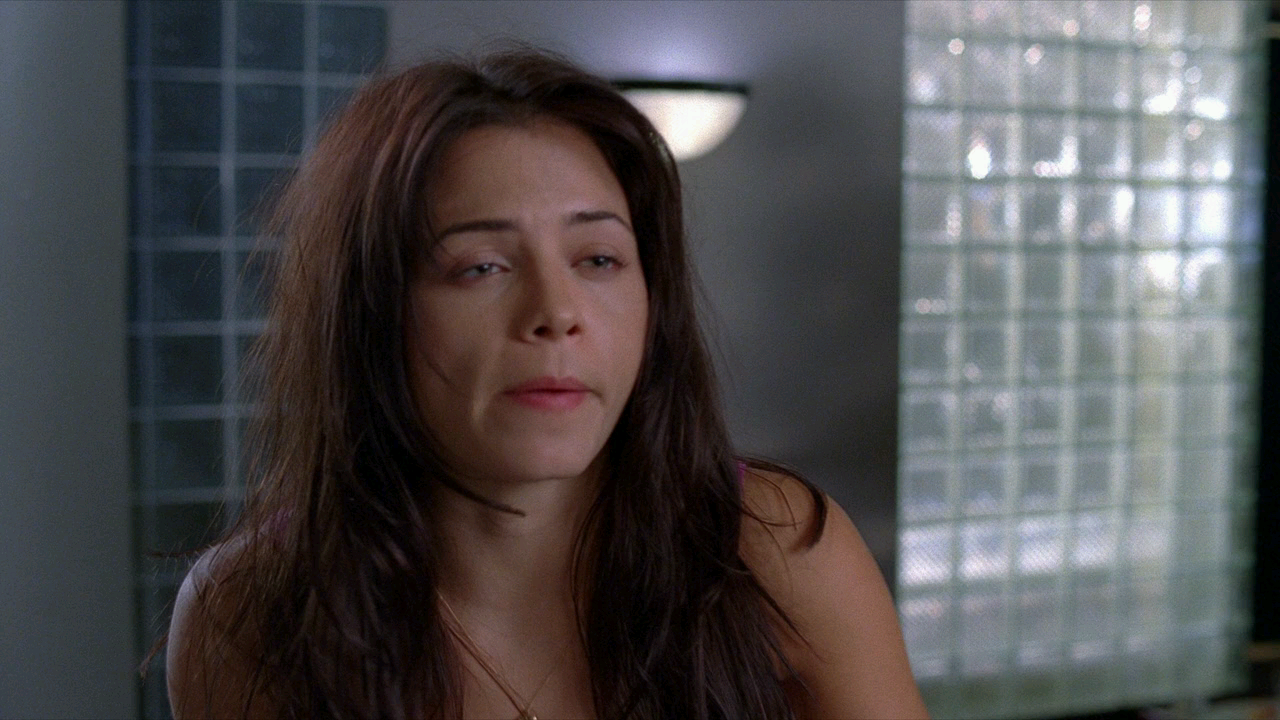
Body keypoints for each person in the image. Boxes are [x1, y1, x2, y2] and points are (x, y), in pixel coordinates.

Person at [165, 47, 928, 720]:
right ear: (370, 308)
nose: (557, 314)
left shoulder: (775, 549)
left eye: (598, 259)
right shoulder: (249, 614)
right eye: (480, 267)